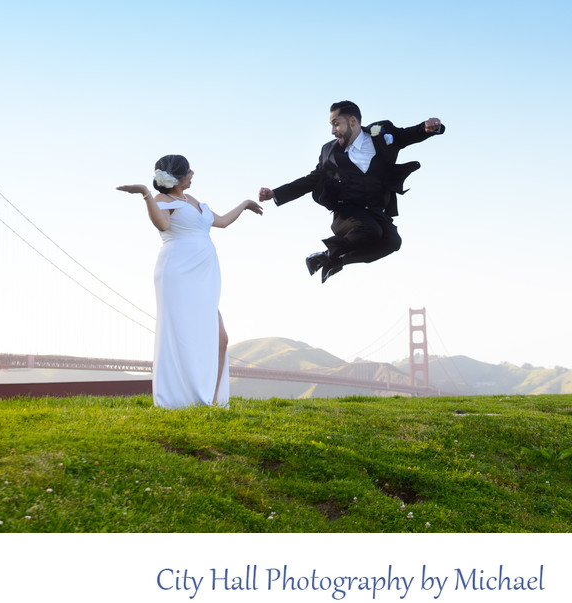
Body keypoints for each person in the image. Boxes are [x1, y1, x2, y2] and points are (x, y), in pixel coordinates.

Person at [118, 155, 263, 408]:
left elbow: (221, 222)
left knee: (221, 339)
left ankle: (214, 401)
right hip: (177, 275)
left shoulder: (192, 200)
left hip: (204, 278)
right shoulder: (162, 201)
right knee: (182, 337)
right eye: (188, 171)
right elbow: (162, 225)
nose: (193, 173)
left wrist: (245, 204)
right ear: (177, 177)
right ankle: (182, 400)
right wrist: (144, 193)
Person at [259, 101, 445, 282]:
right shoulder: (329, 152)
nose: (333, 131)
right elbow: (311, 180)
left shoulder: (382, 133)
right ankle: (324, 255)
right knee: (371, 230)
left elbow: (407, 135)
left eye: (336, 124)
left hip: (374, 210)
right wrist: (275, 193)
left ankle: (336, 262)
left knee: (392, 242)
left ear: (353, 122)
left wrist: (428, 128)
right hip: (346, 214)